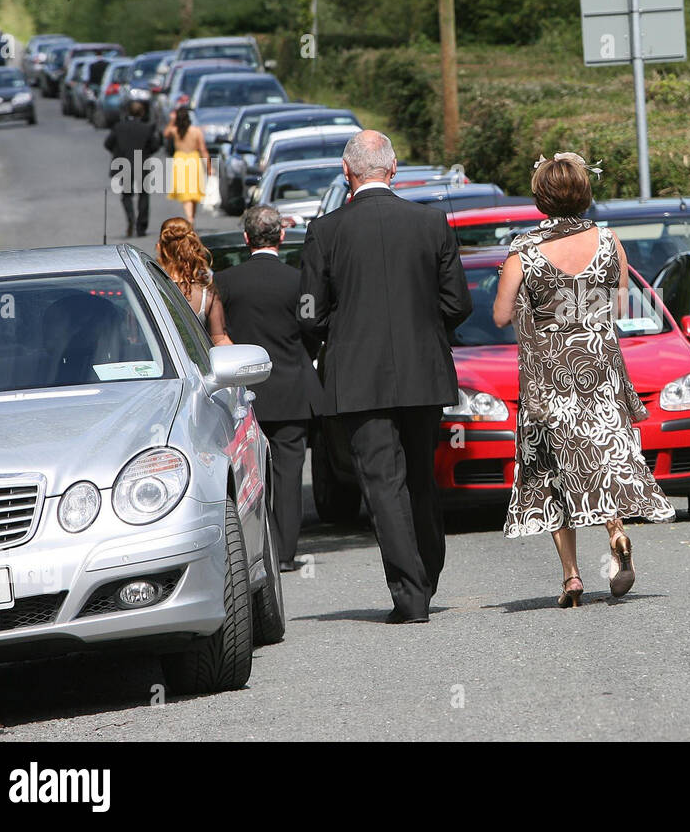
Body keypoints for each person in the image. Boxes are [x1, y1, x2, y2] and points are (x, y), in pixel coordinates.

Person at [298, 131, 471, 624]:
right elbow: (459, 302)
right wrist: (423, 327)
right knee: (420, 479)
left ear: (346, 171)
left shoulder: (325, 231)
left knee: (382, 485)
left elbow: (309, 313)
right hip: (424, 372)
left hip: (358, 377)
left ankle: (410, 592)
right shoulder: (431, 222)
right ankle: (425, 579)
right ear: (393, 170)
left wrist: (345, 328)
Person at [492, 152, 674, 608]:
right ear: (584, 193)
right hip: (599, 370)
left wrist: (533, 307)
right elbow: (616, 301)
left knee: (552, 472)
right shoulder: (611, 240)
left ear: (540, 198)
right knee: (604, 456)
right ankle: (615, 532)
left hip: (547, 378)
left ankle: (572, 578)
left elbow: (499, 316)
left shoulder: (524, 251)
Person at [216, 206, 321, 572]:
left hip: (245, 394)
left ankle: (259, 550)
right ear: (280, 236)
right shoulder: (297, 281)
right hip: (293, 389)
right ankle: (287, 553)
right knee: (290, 477)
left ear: (246, 239)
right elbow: (313, 330)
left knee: (250, 477)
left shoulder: (226, 282)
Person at [156, 217, 231, 345]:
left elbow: (134, 337)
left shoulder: (150, 286)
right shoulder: (206, 292)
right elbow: (220, 339)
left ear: (160, 247)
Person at [104, 100, 161, 238]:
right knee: (143, 195)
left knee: (127, 195)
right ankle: (141, 226)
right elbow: (154, 146)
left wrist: (118, 152)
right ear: (142, 113)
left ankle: (131, 219)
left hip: (124, 164)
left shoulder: (119, 127)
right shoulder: (146, 128)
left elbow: (108, 143)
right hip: (142, 164)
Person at [163, 106, 209, 226]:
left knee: (185, 191)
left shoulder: (175, 130)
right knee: (193, 191)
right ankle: (190, 216)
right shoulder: (196, 131)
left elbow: (165, 133)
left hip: (180, 160)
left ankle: (190, 217)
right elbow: (203, 150)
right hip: (194, 159)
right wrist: (209, 166)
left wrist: (172, 120)